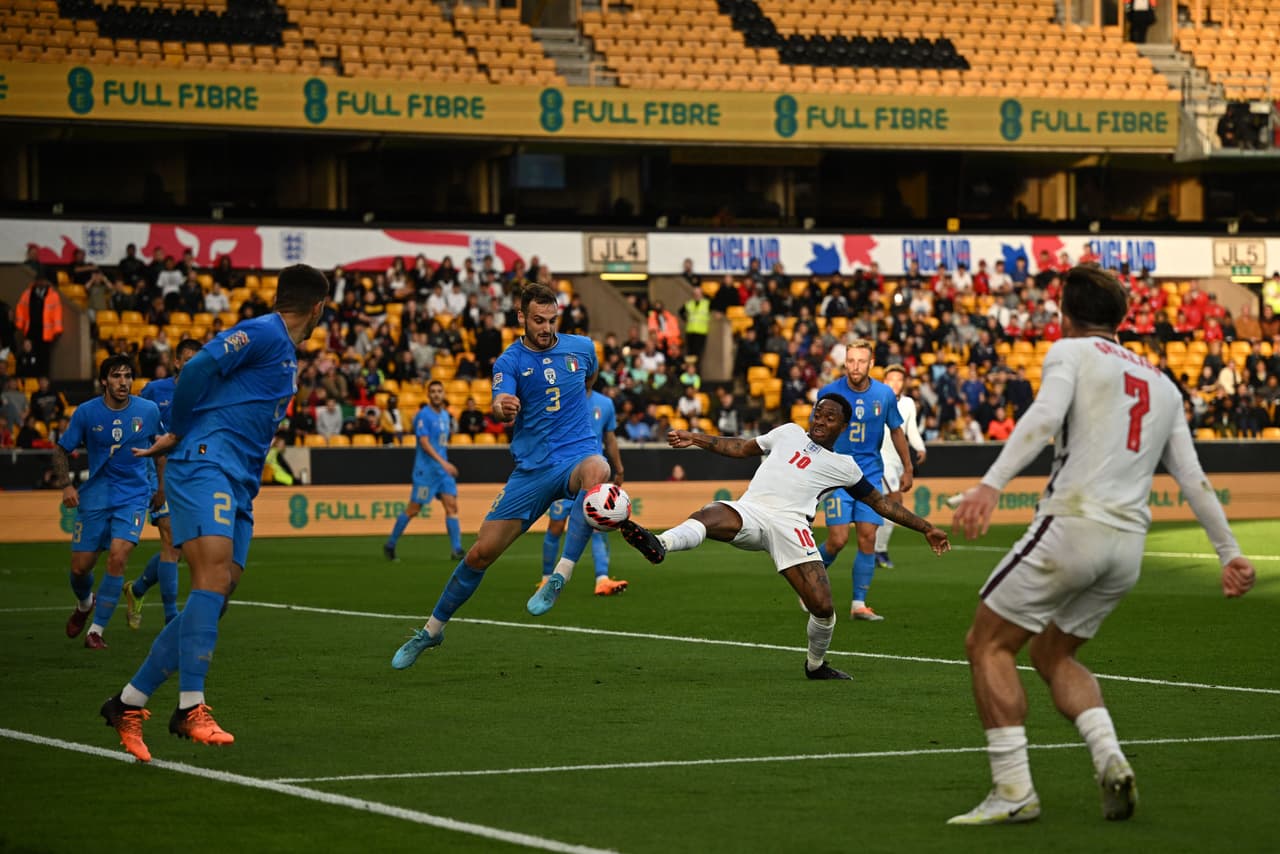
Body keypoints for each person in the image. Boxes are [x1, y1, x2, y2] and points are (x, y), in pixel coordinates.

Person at [947, 266, 1257, 826]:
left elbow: (1044, 416)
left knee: (987, 644)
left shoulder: (1070, 352)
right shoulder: (1163, 383)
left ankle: (1013, 788)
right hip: (1128, 548)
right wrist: (1228, 552)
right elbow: (1192, 477)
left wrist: (991, 484)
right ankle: (1110, 759)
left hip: (1073, 525)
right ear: (1121, 318)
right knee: (1052, 652)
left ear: (1064, 313)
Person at [99, 264, 330, 763]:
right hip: (205, 460)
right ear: (318, 308)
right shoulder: (266, 331)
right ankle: (190, 705)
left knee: (221, 590)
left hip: (239, 481)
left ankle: (128, 702)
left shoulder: (282, 350)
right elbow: (200, 367)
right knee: (211, 577)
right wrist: (179, 429)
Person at [616, 395, 950, 679]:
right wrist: (697, 438)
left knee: (823, 606)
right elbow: (741, 447)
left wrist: (926, 527)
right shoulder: (789, 432)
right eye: (817, 413)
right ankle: (660, 544)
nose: (820, 420)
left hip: (793, 527)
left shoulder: (845, 466)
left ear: (842, 426)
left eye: (829, 417)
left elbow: (879, 503)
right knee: (711, 514)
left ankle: (815, 665)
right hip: (752, 510)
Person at [390, 283, 610, 669]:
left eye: (552, 320)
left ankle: (559, 576)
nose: (546, 328)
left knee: (599, 471)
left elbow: (588, 383)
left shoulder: (583, 348)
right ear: (521, 317)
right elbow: (497, 403)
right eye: (538, 320)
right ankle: (432, 630)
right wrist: (501, 407)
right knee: (481, 553)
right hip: (532, 470)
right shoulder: (509, 362)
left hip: (577, 454)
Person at [52, 355, 162, 649]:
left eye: (127, 376)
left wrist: (160, 488)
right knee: (80, 568)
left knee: (118, 555)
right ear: (104, 381)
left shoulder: (148, 410)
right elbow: (61, 450)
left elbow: (161, 447)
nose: (123, 382)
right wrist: (66, 485)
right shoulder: (86, 413)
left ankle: (96, 631)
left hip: (134, 495)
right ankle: (85, 603)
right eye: (116, 376)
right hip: (96, 495)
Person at [815, 340, 913, 621]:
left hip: (869, 475)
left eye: (861, 361)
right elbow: (816, 430)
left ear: (871, 364)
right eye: (850, 360)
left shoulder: (883, 394)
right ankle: (808, 585)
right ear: (844, 362)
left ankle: (859, 604)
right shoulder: (829, 392)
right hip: (836, 475)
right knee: (837, 539)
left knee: (868, 538)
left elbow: (896, 431)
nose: (855, 366)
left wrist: (908, 467)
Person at [122, 337, 204, 631]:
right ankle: (171, 618)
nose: (194, 364)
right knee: (170, 539)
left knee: (180, 547)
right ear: (177, 362)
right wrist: (157, 484)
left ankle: (137, 590)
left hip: (189, 472)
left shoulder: (204, 392)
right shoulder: (156, 390)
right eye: (189, 359)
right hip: (157, 470)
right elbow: (137, 422)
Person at [539, 382, 628, 598]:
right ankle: (545, 579)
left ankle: (602, 579)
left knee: (598, 524)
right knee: (556, 527)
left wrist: (619, 468)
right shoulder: (561, 399)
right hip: (565, 475)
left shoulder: (605, 404)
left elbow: (610, 438)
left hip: (594, 477)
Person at [383, 380, 465, 562]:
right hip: (426, 471)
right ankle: (390, 544)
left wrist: (444, 465)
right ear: (428, 395)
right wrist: (444, 463)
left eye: (439, 391)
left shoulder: (445, 415)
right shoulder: (423, 416)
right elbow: (424, 443)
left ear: (443, 394)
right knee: (413, 509)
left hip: (442, 472)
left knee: (452, 506)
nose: (436, 394)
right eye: (433, 391)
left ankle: (457, 549)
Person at [872, 364, 927, 569]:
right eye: (891, 379)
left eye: (899, 379)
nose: (895, 383)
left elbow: (909, 429)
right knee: (895, 502)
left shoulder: (908, 403)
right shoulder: (876, 399)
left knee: (884, 508)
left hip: (897, 461)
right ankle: (879, 550)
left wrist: (920, 448)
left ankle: (875, 549)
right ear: (884, 381)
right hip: (880, 458)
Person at [15, 277, 64, 376]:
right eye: (39, 280)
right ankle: (31, 380)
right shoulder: (28, 293)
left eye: (44, 280)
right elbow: (21, 309)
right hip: (31, 331)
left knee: (44, 359)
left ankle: (44, 381)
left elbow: (57, 314)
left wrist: (57, 330)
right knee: (29, 357)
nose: (41, 283)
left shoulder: (53, 295)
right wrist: (20, 326)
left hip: (45, 334)